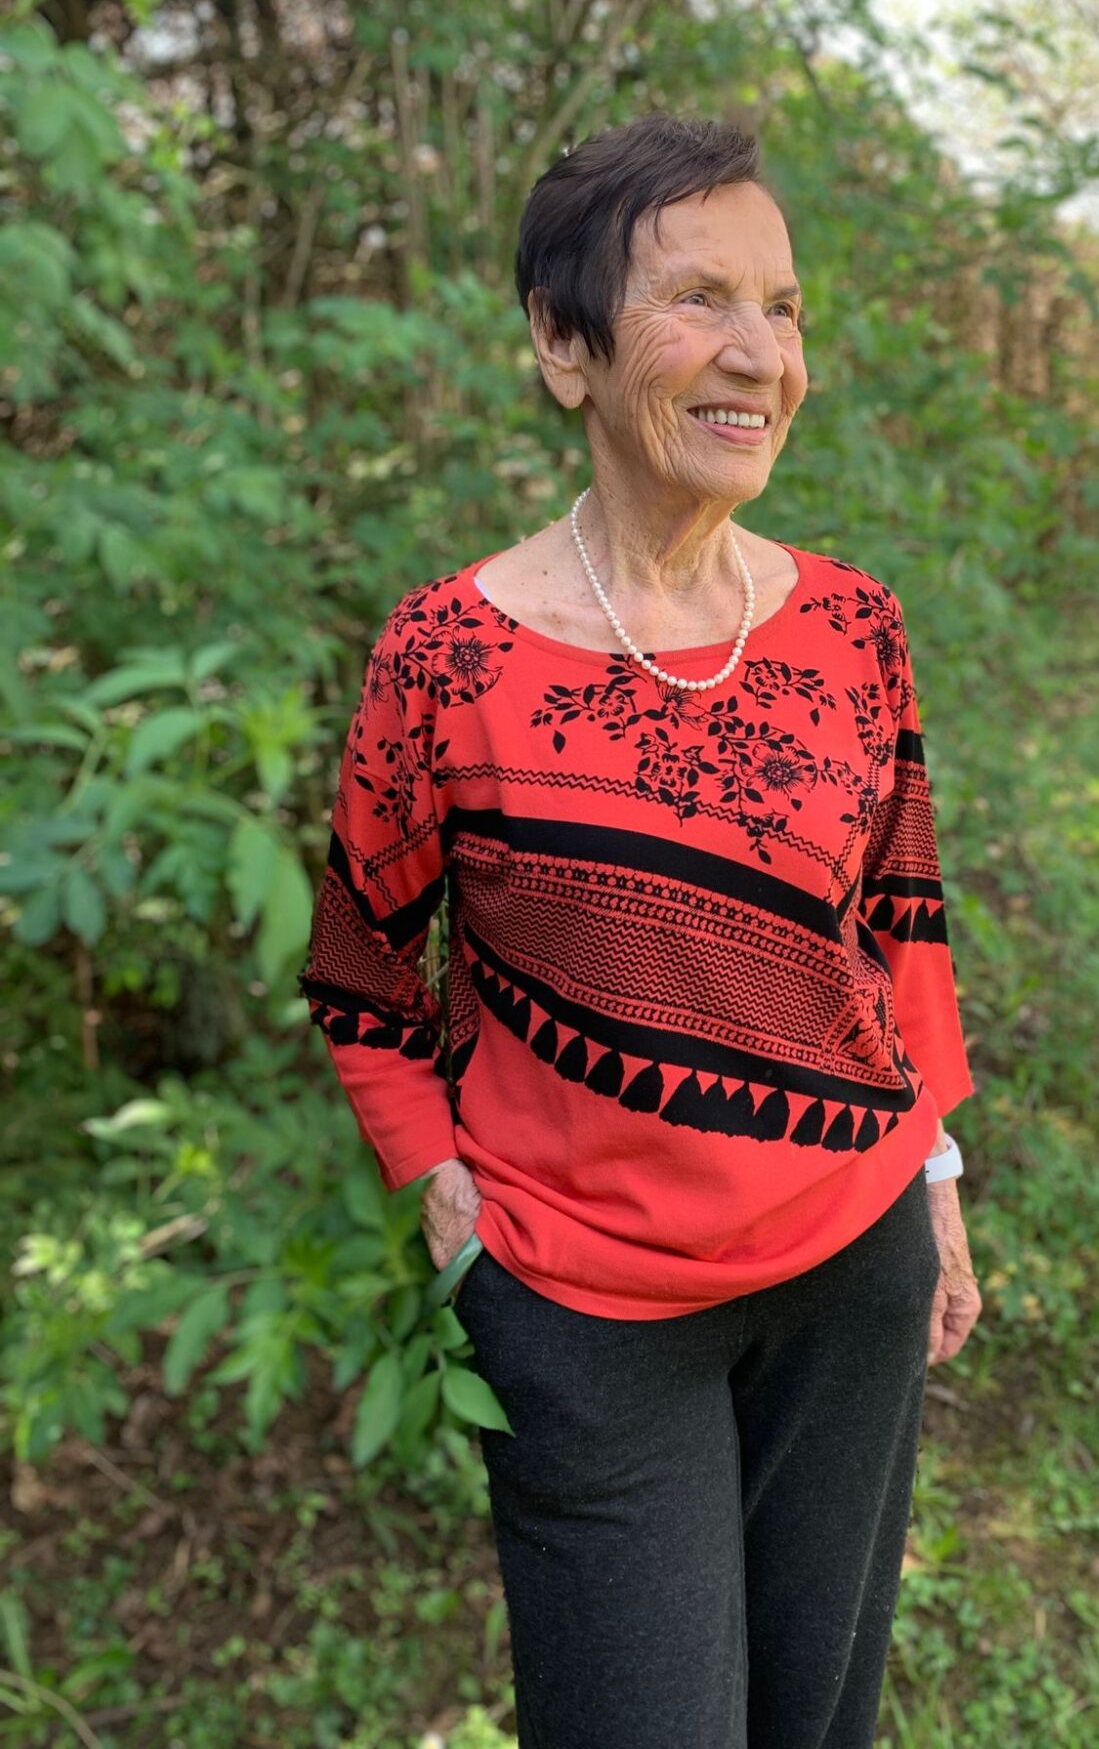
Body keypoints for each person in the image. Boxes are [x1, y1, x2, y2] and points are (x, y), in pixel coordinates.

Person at [298, 111, 982, 1749]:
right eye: (699, 300)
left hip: (851, 1270)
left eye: (784, 307)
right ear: (565, 344)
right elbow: (364, 956)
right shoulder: (445, 655)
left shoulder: (854, 626)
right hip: (580, 1311)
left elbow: (901, 917)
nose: (761, 355)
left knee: (816, 1718)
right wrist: (434, 1181)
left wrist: (939, 1175)